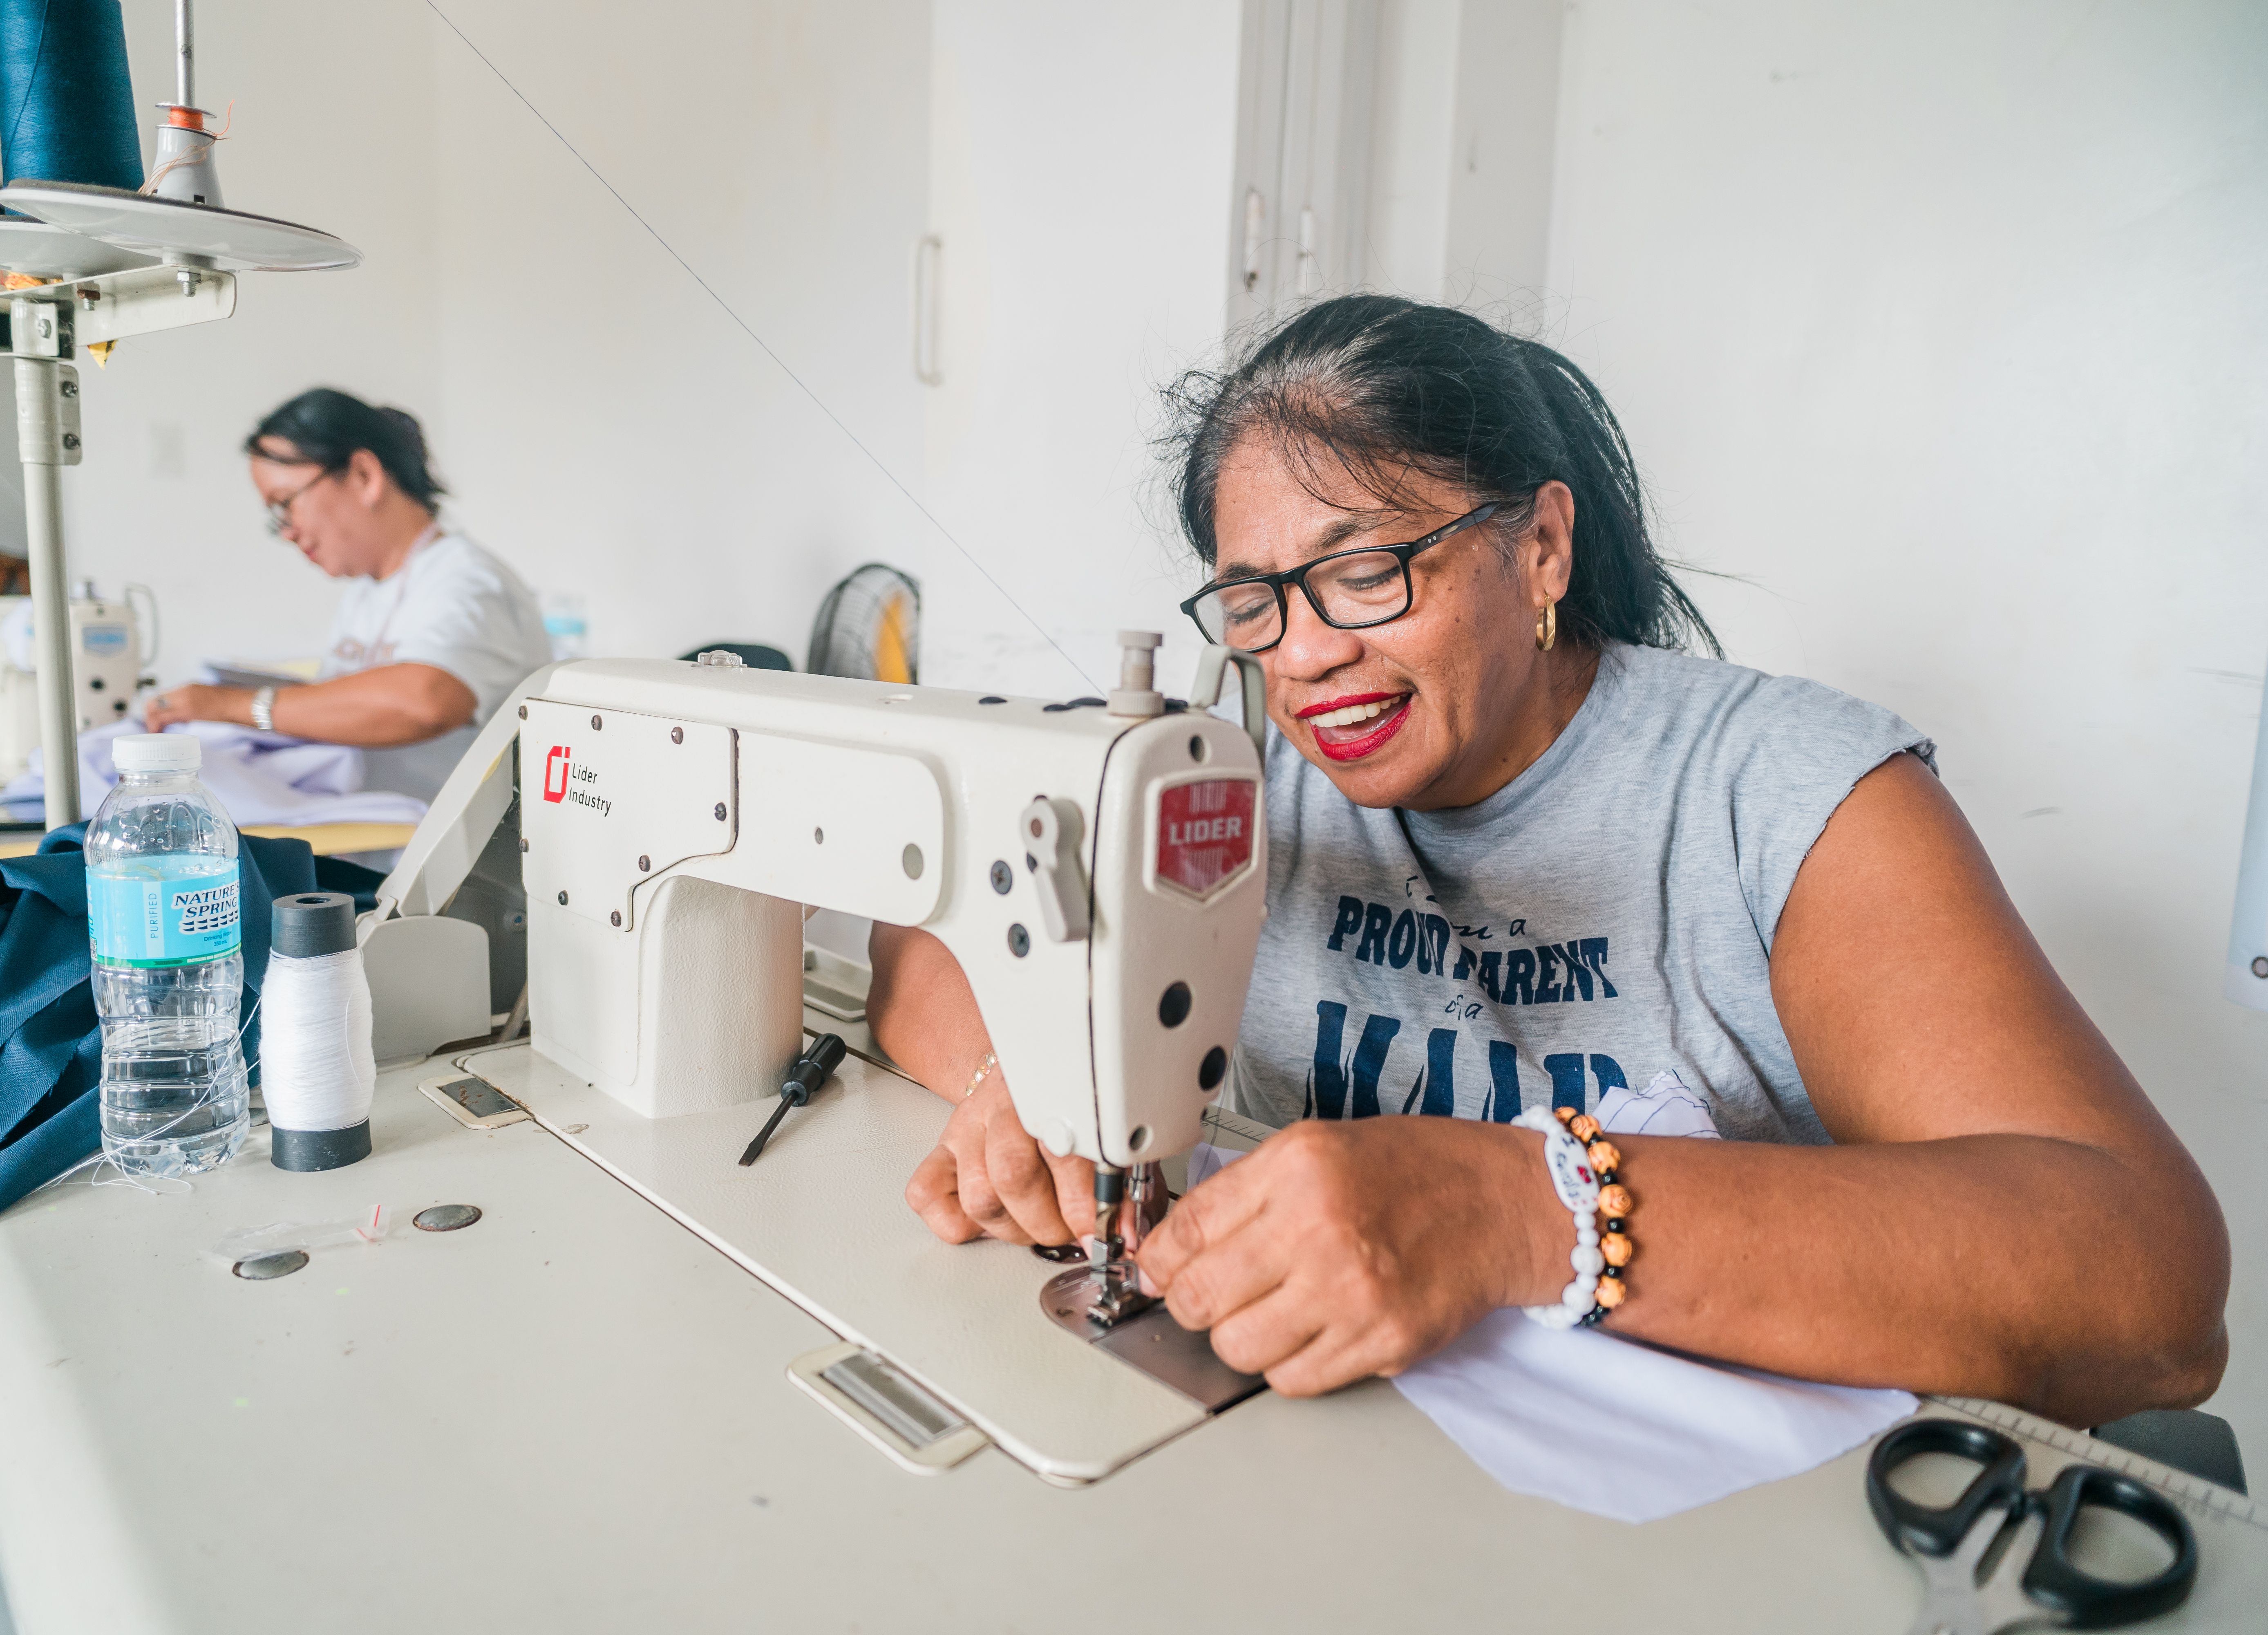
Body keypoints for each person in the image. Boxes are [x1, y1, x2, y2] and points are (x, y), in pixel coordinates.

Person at [865, 295, 2229, 1429]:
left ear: (1540, 550)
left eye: (1365, 573)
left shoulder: (1787, 797)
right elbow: (923, 938)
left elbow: (2148, 1291)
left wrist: (1513, 1211)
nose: (1302, 655)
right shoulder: (1232, 780)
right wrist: (1019, 1077)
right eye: (1254, 601)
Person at [143, 389, 553, 803]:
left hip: (439, 857)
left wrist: (231, 706)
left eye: (285, 504)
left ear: (364, 476)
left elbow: (425, 700)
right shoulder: (366, 592)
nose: (286, 531)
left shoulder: (467, 581)